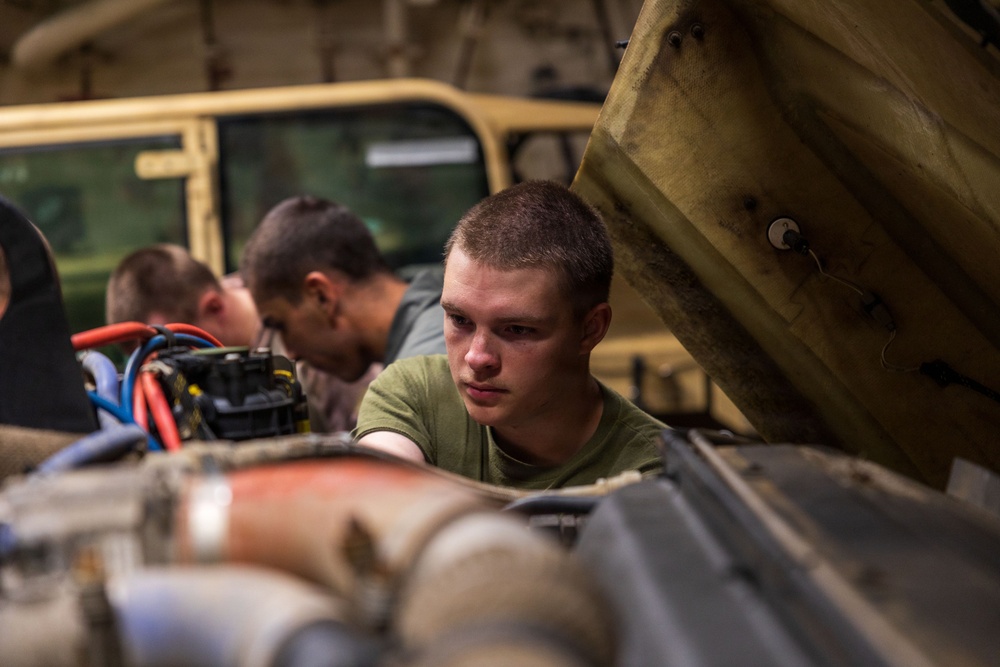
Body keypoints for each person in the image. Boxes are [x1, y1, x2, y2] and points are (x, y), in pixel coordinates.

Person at [354, 180, 665, 489]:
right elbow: (377, 492)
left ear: (590, 329)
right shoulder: (414, 394)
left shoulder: (656, 472)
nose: (477, 357)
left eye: (516, 329)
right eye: (460, 320)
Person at [105, 243, 376, 432]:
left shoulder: (307, 346)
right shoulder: (223, 294)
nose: (161, 370)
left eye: (170, 351)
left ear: (214, 307)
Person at [240, 195, 446, 383]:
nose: (292, 354)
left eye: (281, 326)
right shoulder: (440, 311)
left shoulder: (423, 378)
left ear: (321, 296)